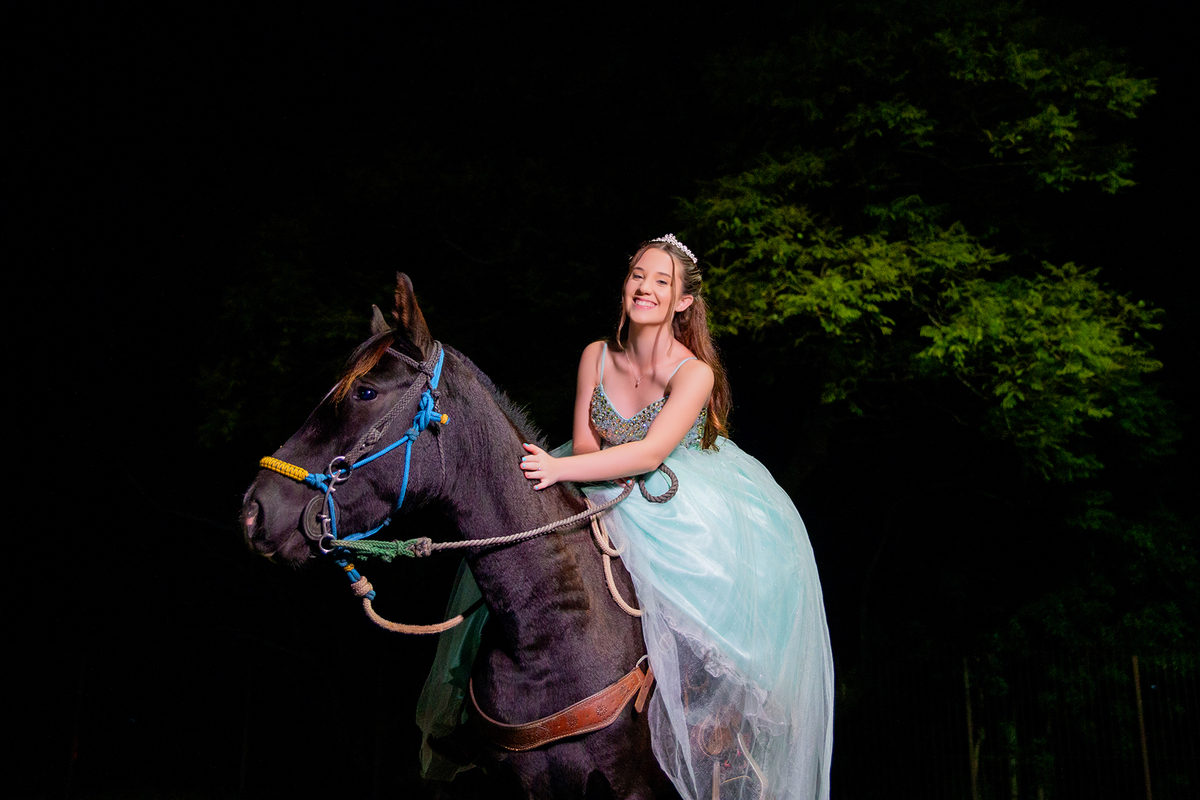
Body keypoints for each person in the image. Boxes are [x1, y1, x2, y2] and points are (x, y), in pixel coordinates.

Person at [417, 235, 834, 800]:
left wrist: (559, 474)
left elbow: (649, 453)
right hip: (594, 476)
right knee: (517, 552)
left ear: (683, 301)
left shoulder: (696, 374)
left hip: (677, 494)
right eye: (639, 275)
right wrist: (569, 477)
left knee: (700, 574)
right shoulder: (596, 354)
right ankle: (478, 716)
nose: (646, 288)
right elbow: (586, 449)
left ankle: (713, 724)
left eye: (662, 282)